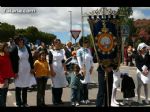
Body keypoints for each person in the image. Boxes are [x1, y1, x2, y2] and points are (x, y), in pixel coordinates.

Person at [10, 35, 36, 107]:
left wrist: (32, 67)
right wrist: (15, 72)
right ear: (17, 41)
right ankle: (18, 102)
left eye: (22, 40)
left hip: (27, 69)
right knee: (18, 87)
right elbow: (12, 62)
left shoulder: (27, 47)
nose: (21, 41)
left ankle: (24, 102)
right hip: (19, 70)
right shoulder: (14, 49)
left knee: (25, 86)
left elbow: (30, 58)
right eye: (20, 40)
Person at [49, 39, 68, 105]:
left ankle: (59, 99)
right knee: (55, 86)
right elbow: (50, 62)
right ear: (54, 44)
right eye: (57, 43)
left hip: (61, 70)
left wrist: (65, 69)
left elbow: (63, 61)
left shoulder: (62, 51)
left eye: (60, 43)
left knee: (60, 85)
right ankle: (55, 100)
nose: (59, 44)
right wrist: (51, 71)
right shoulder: (51, 51)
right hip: (54, 69)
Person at [76, 37, 94, 104]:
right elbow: (79, 61)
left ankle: (86, 98)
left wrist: (92, 67)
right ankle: (82, 98)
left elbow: (91, 59)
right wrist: (83, 69)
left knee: (86, 85)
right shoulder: (79, 51)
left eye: (87, 42)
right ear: (82, 43)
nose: (87, 43)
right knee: (82, 84)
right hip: (83, 69)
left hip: (88, 69)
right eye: (85, 42)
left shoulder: (88, 50)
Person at [0, 42, 16, 107]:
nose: (8, 48)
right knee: (2, 95)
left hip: (7, 78)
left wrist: (13, 75)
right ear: (3, 48)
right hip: (2, 79)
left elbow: (9, 67)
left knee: (4, 94)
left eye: (8, 47)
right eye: (6, 47)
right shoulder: (1, 56)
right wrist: (1, 79)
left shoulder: (8, 55)